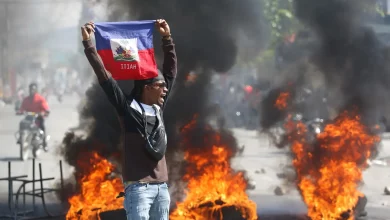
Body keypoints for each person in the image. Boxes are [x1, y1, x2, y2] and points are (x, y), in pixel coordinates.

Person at [81, 19, 177, 220]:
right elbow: (105, 77)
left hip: (162, 189)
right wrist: (89, 44)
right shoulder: (128, 109)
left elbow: (170, 73)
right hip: (139, 190)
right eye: (160, 85)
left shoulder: (158, 108)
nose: (165, 89)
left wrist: (167, 38)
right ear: (147, 88)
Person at [18, 83, 50, 151]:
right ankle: (21, 138)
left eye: (33, 89)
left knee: (42, 128)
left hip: (38, 118)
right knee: (22, 123)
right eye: (30, 89)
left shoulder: (40, 99)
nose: (32, 91)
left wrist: (45, 112)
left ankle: (45, 143)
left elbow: (46, 108)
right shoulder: (26, 99)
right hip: (29, 117)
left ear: (36, 90)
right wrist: (20, 111)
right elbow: (22, 108)